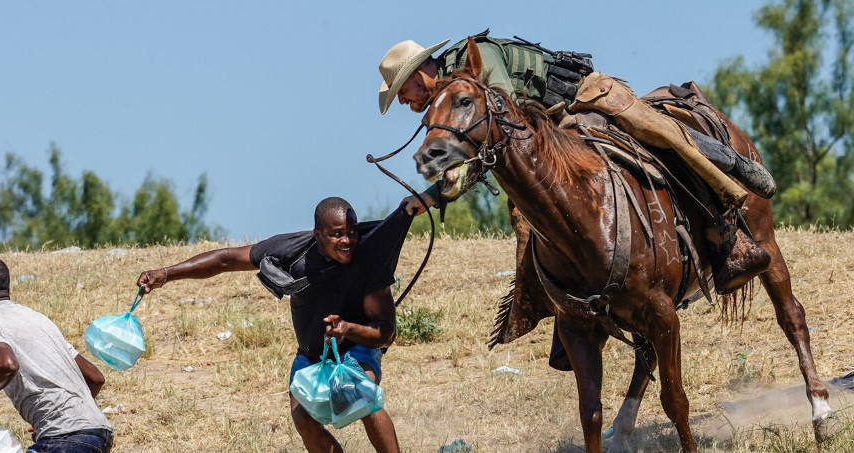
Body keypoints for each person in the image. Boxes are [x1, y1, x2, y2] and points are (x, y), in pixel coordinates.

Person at [379, 30, 773, 294]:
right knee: (529, 214)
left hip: (584, 99)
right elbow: (484, 150)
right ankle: (561, 300)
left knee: (661, 137)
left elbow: (503, 124)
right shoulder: (450, 101)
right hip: (551, 133)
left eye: (402, 88)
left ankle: (727, 221)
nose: (402, 100)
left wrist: (435, 192)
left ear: (421, 72)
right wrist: (432, 194)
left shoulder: (475, 61)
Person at [136, 198, 419, 453]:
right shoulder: (291, 250)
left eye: (352, 231)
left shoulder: (369, 259)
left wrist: (348, 329)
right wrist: (165, 274)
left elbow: (386, 334)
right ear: (317, 234)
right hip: (311, 354)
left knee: (361, 395)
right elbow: (225, 260)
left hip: (356, 346)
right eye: (337, 234)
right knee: (303, 421)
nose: (348, 240)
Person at [0, 257, 113, 453]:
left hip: (65, 439)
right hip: (98, 433)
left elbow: (5, 364)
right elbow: (95, 377)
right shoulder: (39, 320)